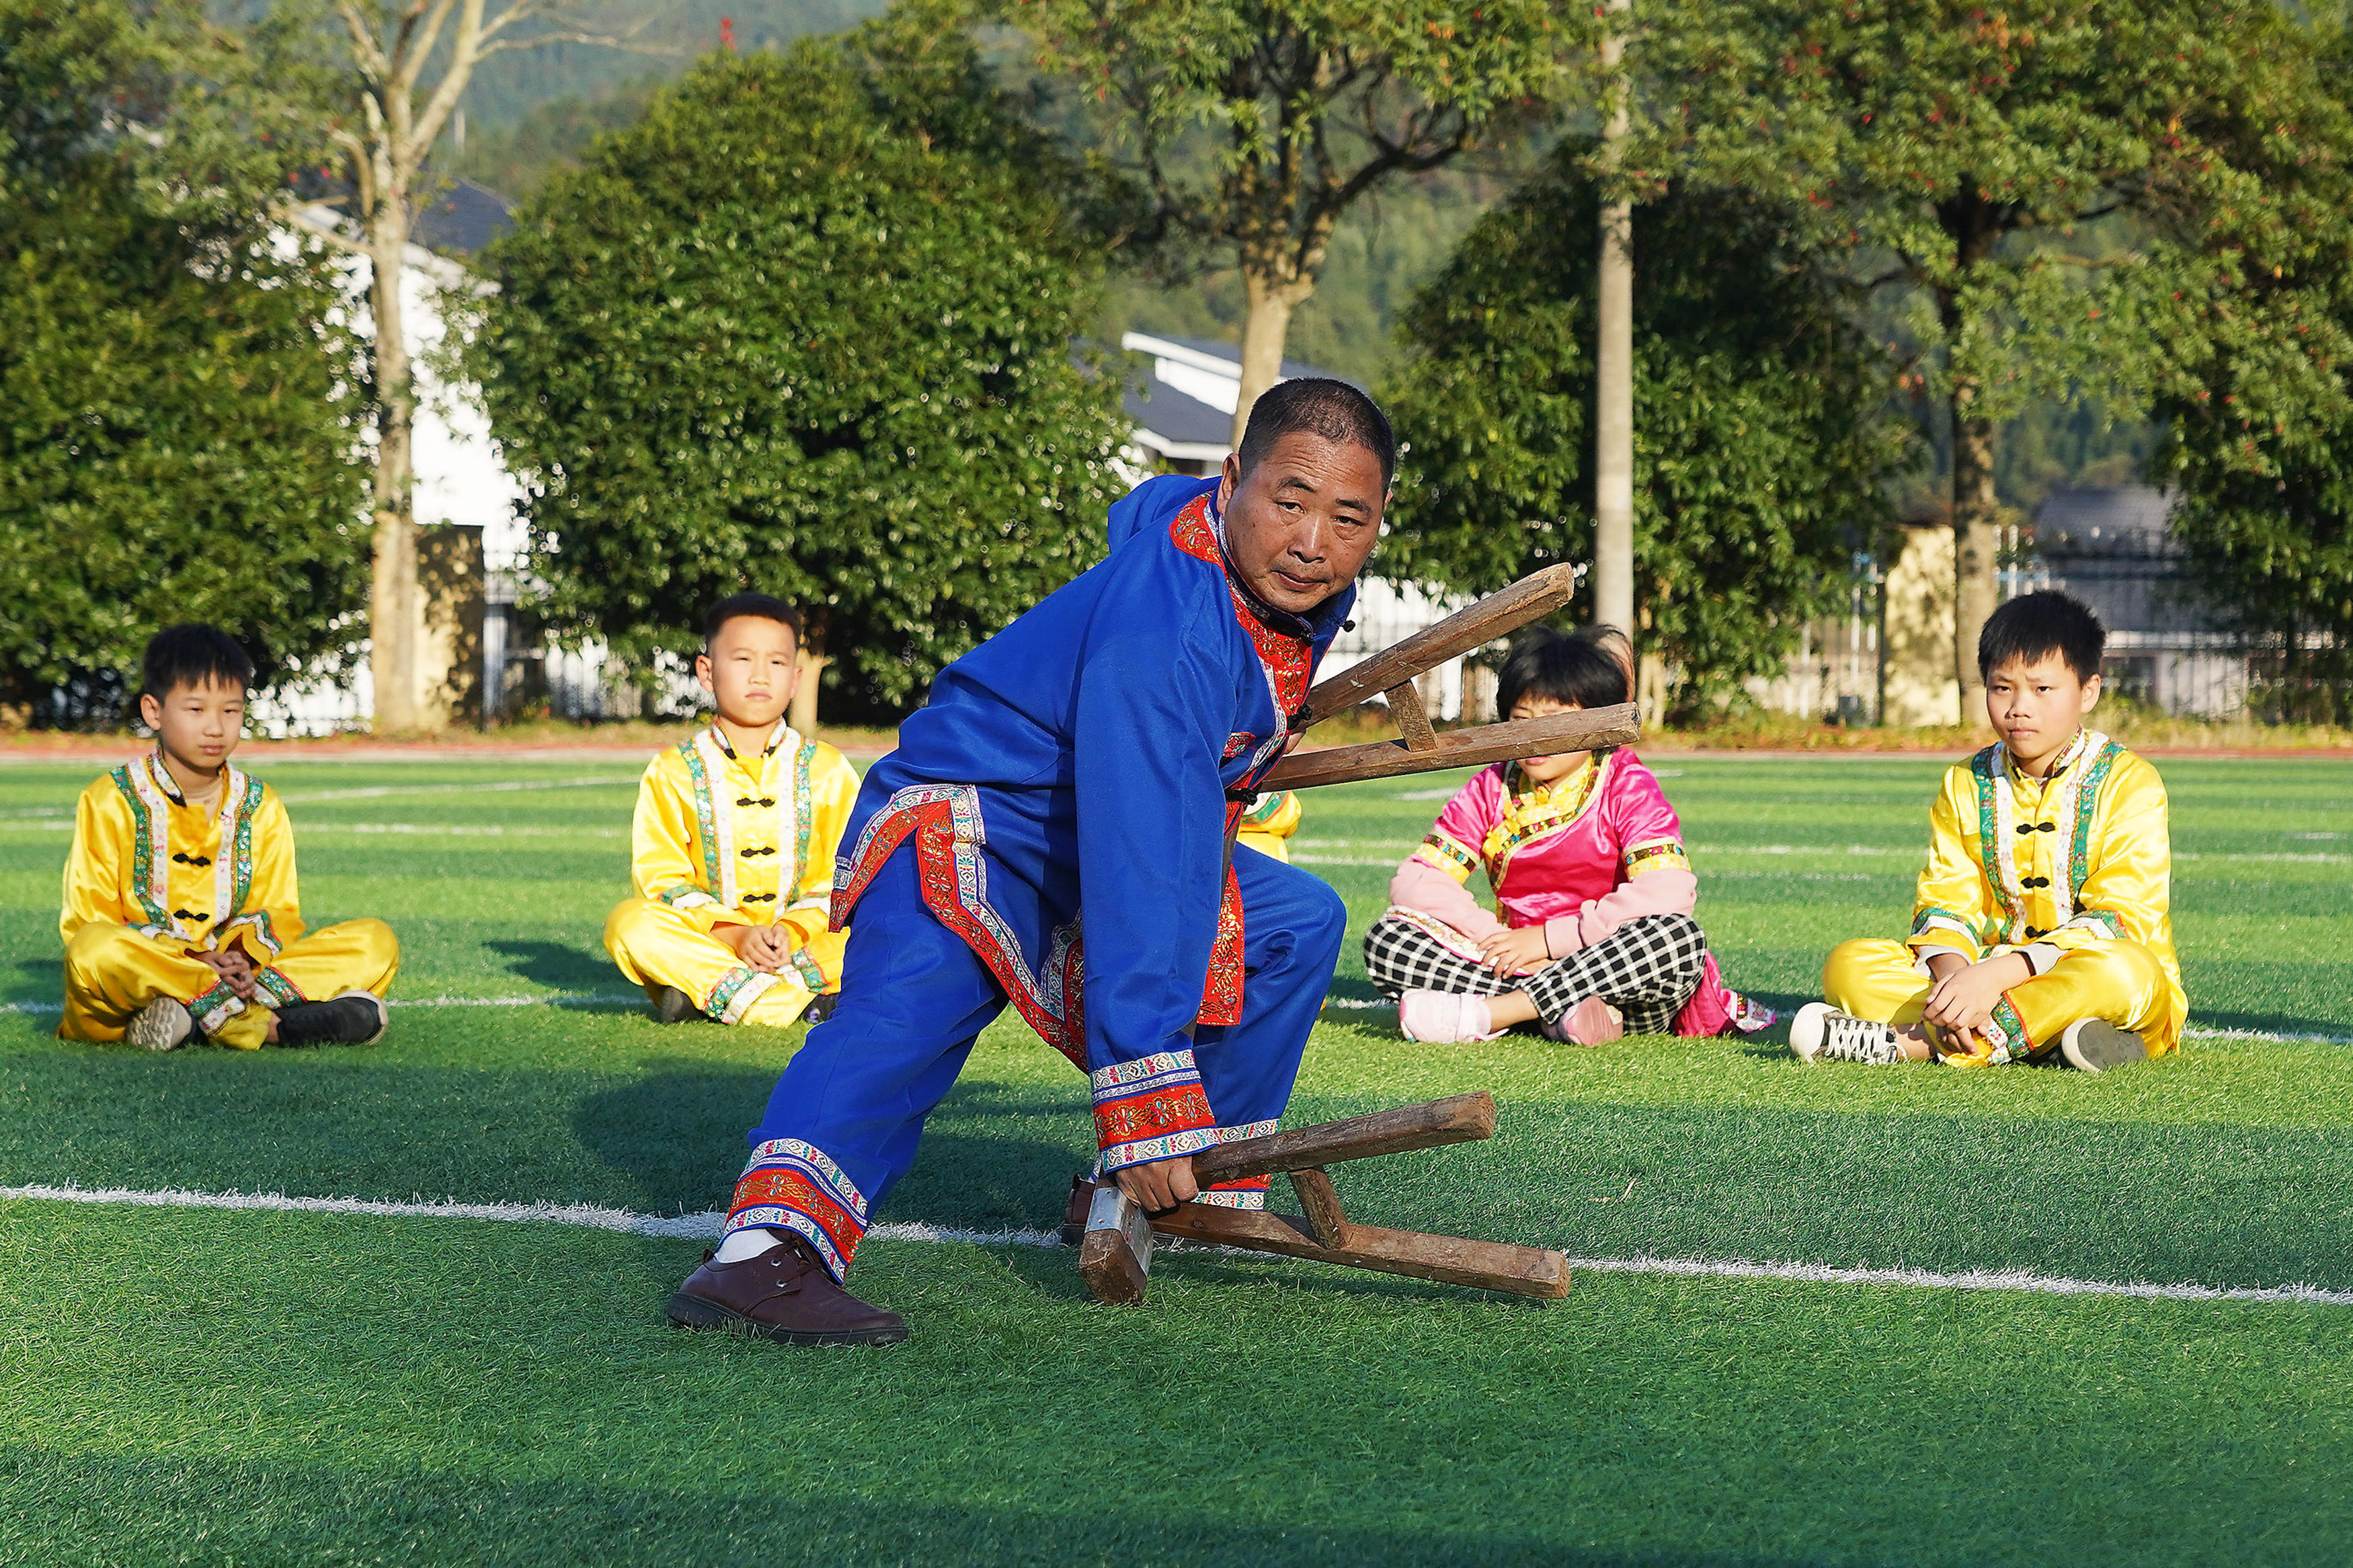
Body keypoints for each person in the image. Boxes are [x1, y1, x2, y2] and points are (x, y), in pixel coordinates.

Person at [664, 379, 1386, 1345]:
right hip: (971, 812)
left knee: (1295, 927)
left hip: (1074, 826)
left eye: (1350, 517)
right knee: (908, 1011)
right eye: (1289, 502)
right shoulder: (1167, 631)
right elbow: (1146, 850)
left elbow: (1146, 517)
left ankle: (1192, 1178)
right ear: (1232, 482)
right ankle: (763, 1253)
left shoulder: (1240, 553)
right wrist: (1142, 1084)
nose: (1313, 542)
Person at [1794, 590, 2186, 1072]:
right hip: (1983, 969)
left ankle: (1912, 1042)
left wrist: (1998, 976)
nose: (2019, 707)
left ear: (2089, 690)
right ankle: (2049, 1035)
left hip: (2088, 970)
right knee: (1850, 965)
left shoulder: (2132, 782)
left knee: (2128, 974)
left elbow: (2124, 917)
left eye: (2042, 690)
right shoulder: (1965, 781)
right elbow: (1946, 900)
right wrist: (1957, 982)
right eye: (2002, 688)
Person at [1363, 626, 1772, 1045]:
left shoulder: (1625, 782)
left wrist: (1548, 940)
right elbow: (1419, 880)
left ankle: (1500, 1013)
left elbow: (1668, 893)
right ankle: (1566, 1012)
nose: (1535, 740)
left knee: (1679, 939)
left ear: (1597, 724)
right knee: (1389, 939)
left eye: (1558, 724)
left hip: (1617, 968)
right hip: (1514, 957)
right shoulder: (1493, 785)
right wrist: (1494, 937)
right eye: (1521, 721)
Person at [58, 625, 400, 1051]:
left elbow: (279, 910)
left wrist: (243, 958)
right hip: (151, 970)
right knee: (93, 950)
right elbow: (89, 920)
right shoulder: (107, 800)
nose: (216, 729)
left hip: (245, 973)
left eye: (231, 711)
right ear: (154, 712)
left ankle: (193, 1020)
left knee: (375, 940)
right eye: (197, 710)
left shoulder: (261, 804)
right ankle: (269, 1026)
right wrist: (193, 959)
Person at [604, 595, 859, 1028]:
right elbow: (660, 879)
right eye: (743, 658)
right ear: (707, 671)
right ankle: (796, 1002)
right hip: (712, 941)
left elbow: (846, 875)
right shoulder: (673, 770)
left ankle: (711, 995)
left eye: (777, 663)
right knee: (629, 924)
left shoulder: (829, 769)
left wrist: (792, 931)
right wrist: (734, 933)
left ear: (795, 679)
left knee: (892, 926)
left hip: (807, 944)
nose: (760, 676)